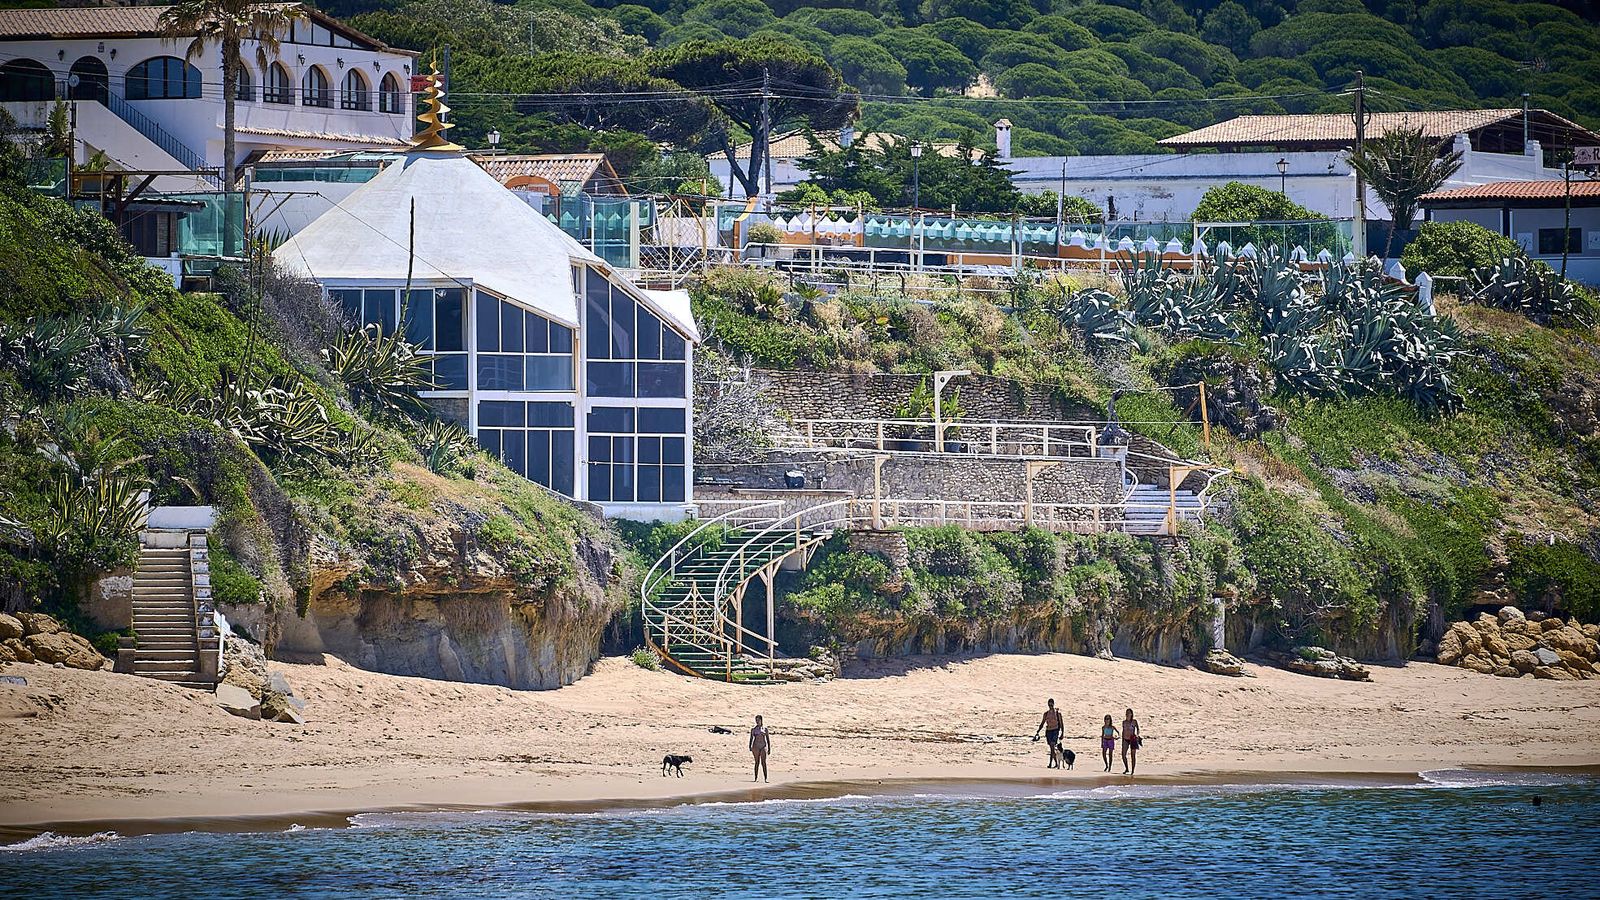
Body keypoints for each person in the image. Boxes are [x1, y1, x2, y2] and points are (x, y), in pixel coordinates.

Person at [1033, 699, 1064, 767]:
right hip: (1048, 731)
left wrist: (1062, 733)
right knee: (1051, 748)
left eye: (1051, 704)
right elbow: (1042, 723)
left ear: (1053, 704)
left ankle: (1050, 764)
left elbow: (1061, 724)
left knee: (1052, 746)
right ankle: (1055, 763)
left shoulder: (1057, 713)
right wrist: (1038, 731)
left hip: (1055, 731)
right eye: (1049, 704)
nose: (1050, 706)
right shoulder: (1046, 714)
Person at [749, 715, 772, 783]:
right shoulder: (753, 729)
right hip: (756, 746)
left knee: (763, 762)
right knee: (757, 762)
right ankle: (756, 778)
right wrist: (750, 746)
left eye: (758, 720)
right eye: (756, 720)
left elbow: (768, 739)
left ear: (761, 720)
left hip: (763, 745)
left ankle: (766, 778)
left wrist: (769, 748)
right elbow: (751, 738)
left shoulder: (765, 729)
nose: (757, 721)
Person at [1121, 708, 1141, 776]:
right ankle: (1126, 768)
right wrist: (1122, 739)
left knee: (1133, 756)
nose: (1127, 714)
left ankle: (1132, 770)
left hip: (1133, 739)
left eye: (1128, 713)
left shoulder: (1134, 721)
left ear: (1131, 714)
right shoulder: (1124, 722)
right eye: (1126, 713)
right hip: (1125, 739)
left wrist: (1138, 735)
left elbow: (1138, 729)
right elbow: (1123, 731)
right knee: (1123, 755)